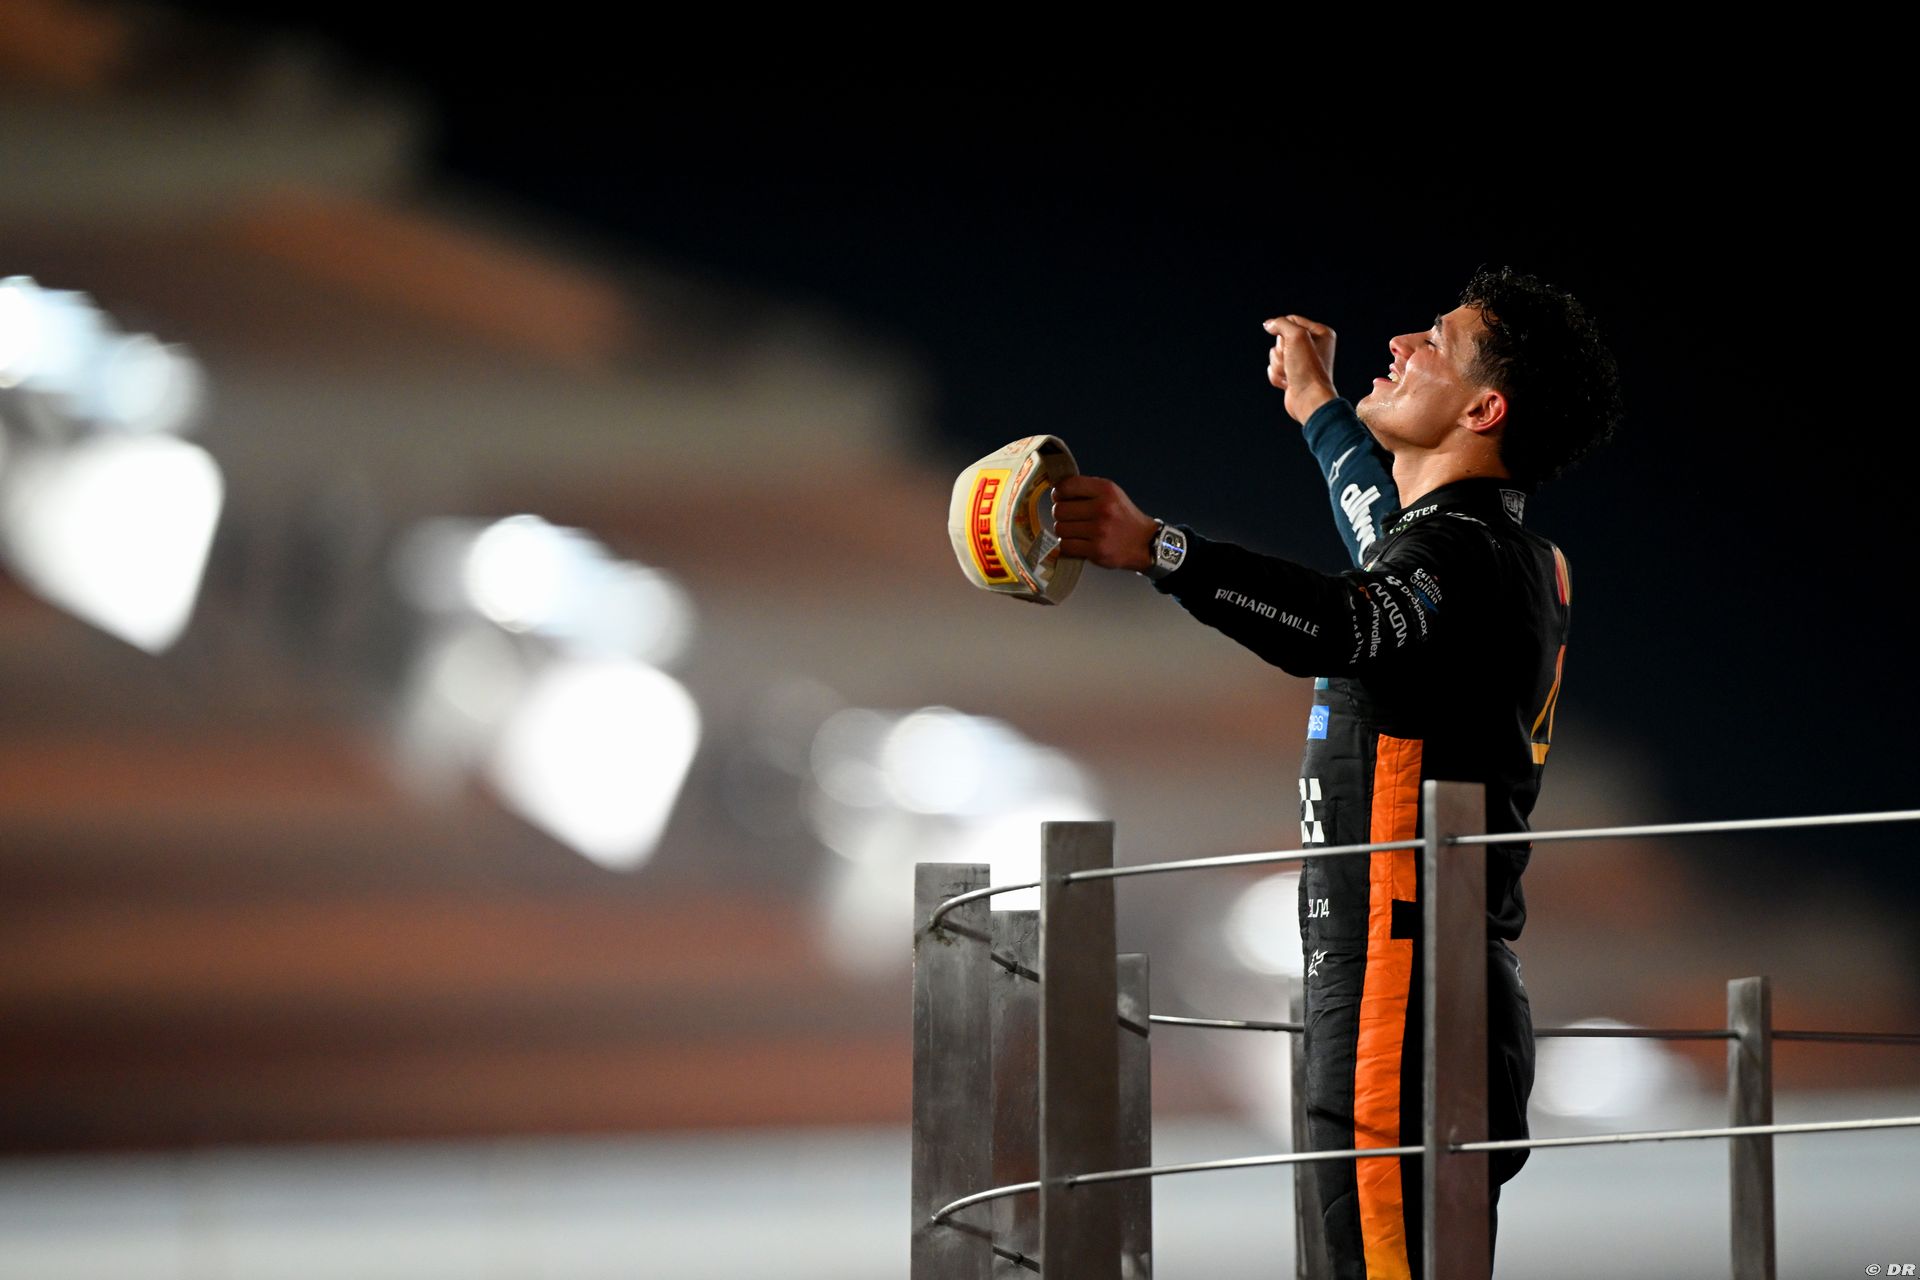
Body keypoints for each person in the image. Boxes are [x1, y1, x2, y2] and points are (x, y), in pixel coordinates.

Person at [1052, 265, 1623, 1279]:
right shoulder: (1509, 556)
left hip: (1397, 991)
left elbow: (1344, 621)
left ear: (1483, 410)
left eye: (1435, 342)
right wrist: (1316, 404)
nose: (1399, 343)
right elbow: (1383, 534)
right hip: (1441, 984)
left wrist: (1161, 550)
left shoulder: (1454, 563)